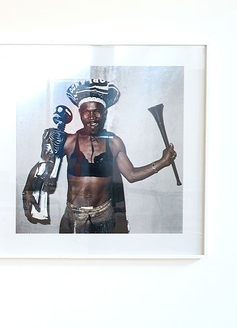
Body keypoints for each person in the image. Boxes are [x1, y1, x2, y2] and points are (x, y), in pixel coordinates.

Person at [25, 79, 177, 233]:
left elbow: (131, 175)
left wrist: (162, 162)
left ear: (105, 113)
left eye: (97, 111)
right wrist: (28, 190)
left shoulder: (114, 142)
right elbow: (43, 165)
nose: (92, 117)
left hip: (104, 217)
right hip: (74, 217)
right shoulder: (69, 141)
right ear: (80, 114)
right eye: (86, 112)